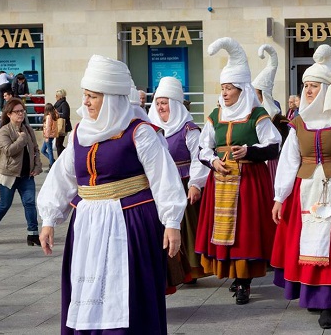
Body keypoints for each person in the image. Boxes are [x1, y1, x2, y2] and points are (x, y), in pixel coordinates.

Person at [37, 54, 187, 334]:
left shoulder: (139, 133)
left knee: (127, 292)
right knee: (87, 291)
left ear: (112, 98)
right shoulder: (79, 133)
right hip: (87, 227)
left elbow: (164, 178)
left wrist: (172, 223)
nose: (86, 102)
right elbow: (63, 177)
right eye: (85, 95)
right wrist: (48, 219)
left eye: (93, 96)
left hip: (130, 224)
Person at [271, 44, 331, 329]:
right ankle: (309, 294)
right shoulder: (298, 124)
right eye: (306, 86)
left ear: (327, 89)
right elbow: (288, 162)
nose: (308, 91)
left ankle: (326, 303)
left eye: (313, 86)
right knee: (303, 245)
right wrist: (280, 197)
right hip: (303, 192)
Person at [195, 37, 281, 305]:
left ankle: (244, 281)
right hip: (220, 181)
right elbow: (202, 148)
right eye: (222, 88)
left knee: (245, 232)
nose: (225, 93)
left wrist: (250, 151)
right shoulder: (214, 116)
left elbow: (274, 146)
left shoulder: (258, 117)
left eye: (229, 88)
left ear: (243, 90)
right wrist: (213, 162)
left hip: (248, 181)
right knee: (224, 232)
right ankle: (232, 274)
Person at [148, 76, 210, 290]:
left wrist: (195, 184)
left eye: (164, 103)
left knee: (185, 231)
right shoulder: (151, 130)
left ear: (174, 104)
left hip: (183, 185)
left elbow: (198, 158)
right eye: (157, 103)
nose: (160, 107)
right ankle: (172, 271)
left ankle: (191, 270)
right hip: (160, 187)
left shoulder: (189, 130)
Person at [0, 98, 42, 246]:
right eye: (17, 112)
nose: (21, 114)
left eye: (22, 111)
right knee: (4, 205)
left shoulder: (28, 129)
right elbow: (8, 151)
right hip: (8, 175)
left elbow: (35, 149)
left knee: (30, 203)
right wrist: (22, 138)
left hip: (26, 176)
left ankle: (33, 234)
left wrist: (37, 166)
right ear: (9, 114)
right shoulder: (3, 131)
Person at [252, 44, 290, 184]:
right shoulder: (251, 115)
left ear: (263, 95)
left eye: (255, 93)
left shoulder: (280, 120)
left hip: (275, 164)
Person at [53, 89, 72, 157]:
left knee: (58, 144)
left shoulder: (64, 104)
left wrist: (58, 115)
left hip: (63, 126)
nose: (55, 97)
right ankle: (66, 156)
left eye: (57, 95)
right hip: (58, 126)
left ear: (60, 96)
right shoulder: (58, 104)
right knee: (58, 144)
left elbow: (66, 115)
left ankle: (65, 156)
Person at [41, 103, 58, 171]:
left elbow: (48, 127)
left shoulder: (48, 116)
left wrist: (47, 137)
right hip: (52, 135)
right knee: (43, 150)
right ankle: (53, 161)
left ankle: (52, 164)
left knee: (49, 151)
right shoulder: (54, 115)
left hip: (48, 135)